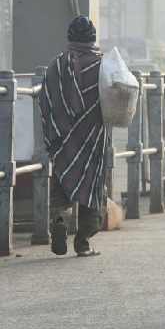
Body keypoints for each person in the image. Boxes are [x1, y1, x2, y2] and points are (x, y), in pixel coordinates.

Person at [38, 16, 107, 257]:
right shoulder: (102, 66)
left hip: (63, 139)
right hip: (92, 138)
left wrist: (54, 132)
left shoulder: (55, 66)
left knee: (61, 183)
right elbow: (115, 100)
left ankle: (59, 220)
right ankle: (83, 241)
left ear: (70, 37)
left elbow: (45, 101)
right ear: (92, 38)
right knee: (92, 185)